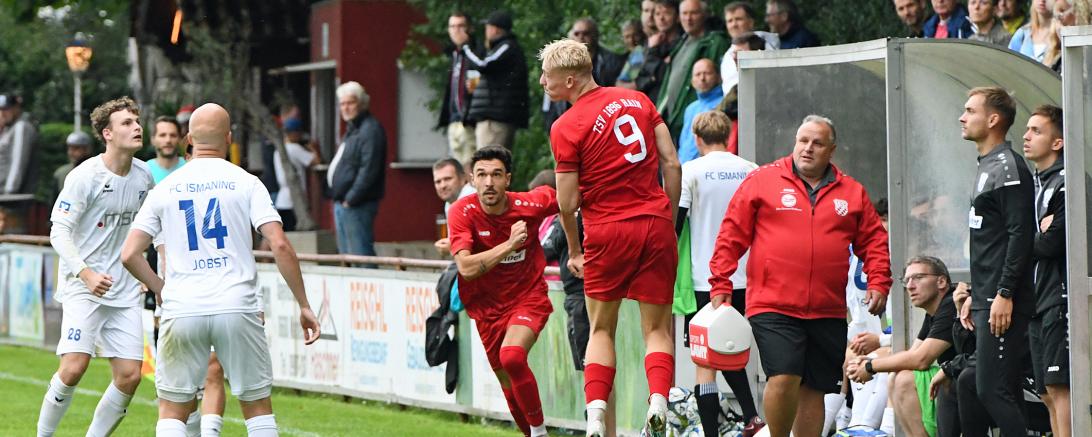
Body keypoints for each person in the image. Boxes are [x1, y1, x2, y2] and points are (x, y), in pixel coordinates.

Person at [120, 103, 320, 437]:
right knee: (257, 408)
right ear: (228, 138)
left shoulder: (166, 187)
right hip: (237, 306)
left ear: (189, 139)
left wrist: (160, 287)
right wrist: (303, 304)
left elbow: (129, 254)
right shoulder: (246, 182)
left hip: (183, 307)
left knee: (172, 411)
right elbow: (280, 244)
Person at [708, 115, 892, 437]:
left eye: (817, 143)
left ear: (831, 150)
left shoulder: (851, 193)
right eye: (802, 140)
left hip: (827, 308)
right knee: (784, 376)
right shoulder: (762, 180)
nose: (807, 148)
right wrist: (720, 282)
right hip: (773, 303)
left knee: (815, 389)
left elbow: (875, 242)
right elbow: (730, 235)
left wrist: (878, 280)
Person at [540, 39, 682, 437]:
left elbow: (567, 203)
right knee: (656, 329)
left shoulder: (565, 126)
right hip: (654, 222)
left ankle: (597, 415)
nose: (542, 83)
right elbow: (671, 162)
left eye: (547, 77)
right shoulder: (638, 99)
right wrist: (666, 218)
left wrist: (573, 248)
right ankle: (658, 400)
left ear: (570, 79)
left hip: (606, 230)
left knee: (602, 329)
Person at [37, 96, 155, 437]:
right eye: (127, 123)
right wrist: (85, 273)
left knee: (131, 375)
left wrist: (149, 273)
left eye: (137, 121)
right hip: (83, 286)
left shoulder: (144, 175)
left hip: (124, 288)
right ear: (107, 133)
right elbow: (58, 230)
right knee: (74, 367)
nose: (136, 127)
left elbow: (152, 228)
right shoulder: (84, 176)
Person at [447, 146, 556, 437]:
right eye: (481, 175)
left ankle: (540, 432)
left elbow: (573, 194)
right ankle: (531, 433)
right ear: (472, 180)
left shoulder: (530, 203)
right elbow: (466, 268)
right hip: (485, 308)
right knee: (507, 385)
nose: (488, 182)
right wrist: (509, 245)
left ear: (507, 179)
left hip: (527, 297)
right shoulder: (461, 212)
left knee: (512, 357)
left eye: (496, 175)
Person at [677, 111, 763, 437]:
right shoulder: (750, 170)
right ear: (728, 136)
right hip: (749, 276)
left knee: (707, 359)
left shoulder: (691, 171)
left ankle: (714, 432)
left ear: (697, 139)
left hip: (707, 276)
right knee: (731, 347)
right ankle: (753, 417)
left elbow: (677, 221)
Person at [958, 86, 1034, 437]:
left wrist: (1004, 292)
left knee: (990, 388)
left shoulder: (1009, 167)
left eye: (970, 111)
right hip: (986, 295)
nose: (962, 116)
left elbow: (1021, 236)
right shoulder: (987, 164)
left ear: (993, 119)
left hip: (1003, 299)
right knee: (974, 383)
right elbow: (990, 240)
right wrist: (977, 290)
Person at [847, 257, 959, 437]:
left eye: (918, 277)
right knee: (896, 376)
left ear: (941, 281)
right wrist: (871, 360)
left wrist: (870, 367)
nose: (910, 286)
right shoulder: (934, 311)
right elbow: (913, 353)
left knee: (905, 380)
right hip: (956, 377)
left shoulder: (950, 304)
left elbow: (921, 360)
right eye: (907, 280)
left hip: (976, 378)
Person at [1023, 104, 1069, 437]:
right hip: (1037, 301)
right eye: (1027, 130)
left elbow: (1052, 244)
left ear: (1058, 142)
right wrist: (1036, 232)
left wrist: (1030, 236)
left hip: (1060, 297)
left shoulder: (1068, 181)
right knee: (1044, 391)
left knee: (1060, 388)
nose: (1026, 136)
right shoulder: (1037, 185)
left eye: (1036, 131)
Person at [658, 0, 730, 142]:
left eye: (694, 13)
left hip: (700, 123)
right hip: (674, 121)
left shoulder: (715, 42)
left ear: (704, 15)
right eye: (684, 13)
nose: (688, 18)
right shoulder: (682, 42)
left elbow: (722, 82)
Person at [328, 81, 386, 258]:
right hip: (344, 203)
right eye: (342, 103)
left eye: (350, 103)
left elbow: (369, 170)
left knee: (361, 257)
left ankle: (372, 287)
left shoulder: (370, 129)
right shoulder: (354, 128)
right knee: (348, 257)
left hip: (357, 204)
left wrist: (351, 199)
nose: (345, 108)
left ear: (361, 103)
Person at [543, 18, 628, 133]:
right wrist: (551, 129)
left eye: (586, 33)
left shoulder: (613, 62)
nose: (581, 37)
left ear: (595, 35)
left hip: (603, 127)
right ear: (571, 36)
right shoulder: (558, 63)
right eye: (577, 33)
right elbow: (550, 99)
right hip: (568, 127)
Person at [463, 11, 530, 150]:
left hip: (495, 118)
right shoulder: (498, 49)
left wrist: (467, 49)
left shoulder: (507, 46)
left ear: (495, 29)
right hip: (493, 117)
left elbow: (483, 65)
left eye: (487, 27)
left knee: (489, 162)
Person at [439, 11, 477, 165]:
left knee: (470, 165)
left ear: (469, 29)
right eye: (452, 26)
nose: (456, 30)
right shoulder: (454, 54)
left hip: (468, 120)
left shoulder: (475, 52)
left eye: (461, 26)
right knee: (456, 168)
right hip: (453, 119)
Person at [720, 3, 779, 94]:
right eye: (730, 21)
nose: (734, 25)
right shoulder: (727, 55)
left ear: (751, 22)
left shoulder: (765, 46)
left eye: (738, 19)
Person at [273, 118, 320, 232]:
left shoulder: (278, 150)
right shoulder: (295, 148)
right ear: (294, 133)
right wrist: (312, 147)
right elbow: (316, 161)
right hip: (294, 200)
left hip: (281, 200)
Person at [676, 59, 724, 164]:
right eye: (697, 74)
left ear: (718, 77)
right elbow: (683, 144)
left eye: (707, 73)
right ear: (692, 81)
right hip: (685, 170)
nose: (702, 78)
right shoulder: (690, 108)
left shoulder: (723, 104)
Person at [636, 0, 685, 101]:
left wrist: (652, 52)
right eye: (657, 14)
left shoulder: (683, 43)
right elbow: (639, 82)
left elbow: (664, 76)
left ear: (677, 17)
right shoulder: (648, 44)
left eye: (666, 13)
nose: (661, 18)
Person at [432, 157, 475, 255]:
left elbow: (485, 239)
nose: (443, 185)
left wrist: (453, 246)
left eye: (447, 179)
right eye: (438, 182)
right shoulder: (449, 203)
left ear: (463, 178)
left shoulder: (472, 199)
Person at [0, 93, 36, 194]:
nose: (2, 113)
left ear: (16, 108)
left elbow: (18, 161)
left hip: (12, 199)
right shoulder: (8, 129)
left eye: (6, 109)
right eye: (0, 109)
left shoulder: (21, 127)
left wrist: (9, 192)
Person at [147, 116, 186, 184]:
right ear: (153, 140)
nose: (168, 140)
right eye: (162, 135)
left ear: (180, 139)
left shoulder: (190, 166)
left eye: (173, 135)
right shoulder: (144, 170)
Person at [616, 20, 648, 90]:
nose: (631, 40)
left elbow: (623, 83)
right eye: (627, 37)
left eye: (635, 35)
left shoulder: (639, 51)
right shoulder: (628, 55)